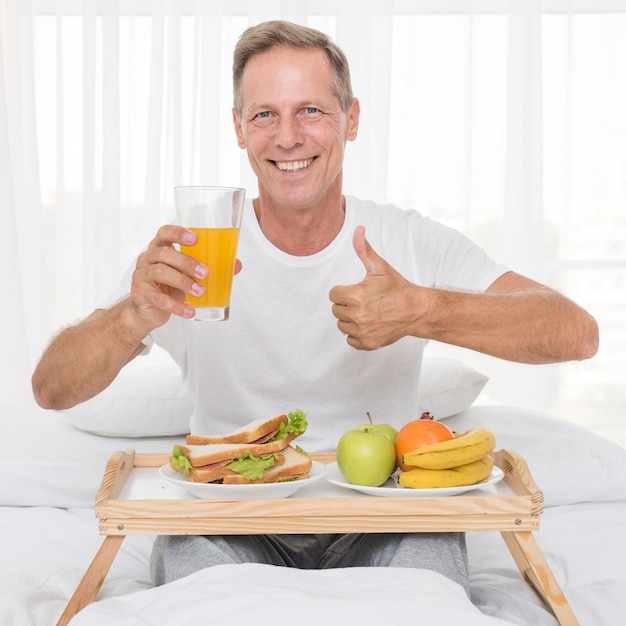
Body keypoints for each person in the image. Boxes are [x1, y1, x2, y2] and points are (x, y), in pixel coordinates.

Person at [32, 20, 598, 595]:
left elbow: (576, 334)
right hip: (229, 517)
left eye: (310, 111)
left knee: (427, 595)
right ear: (239, 129)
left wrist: (423, 310)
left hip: (384, 514)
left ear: (351, 119)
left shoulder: (407, 241)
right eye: (264, 115)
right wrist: (133, 314)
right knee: (201, 598)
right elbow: (52, 388)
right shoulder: (194, 253)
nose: (287, 137)